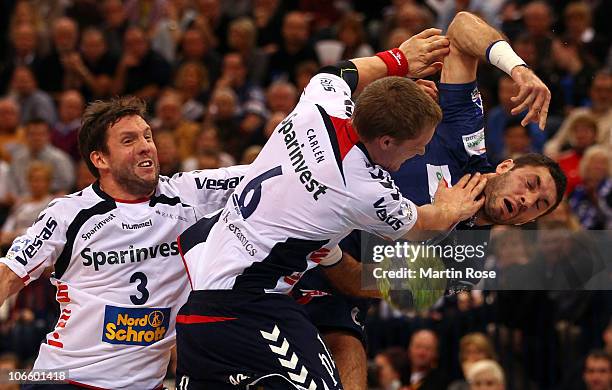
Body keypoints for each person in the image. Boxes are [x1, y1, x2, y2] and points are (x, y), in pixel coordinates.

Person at [176, 28, 487, 389]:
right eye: (417, 146)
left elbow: (338, 74)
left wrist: (399, 59)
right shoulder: (362, 188)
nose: (420, 154)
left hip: (202, 285)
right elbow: (420, 226)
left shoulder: (321, 105)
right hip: (243, 304)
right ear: (386, 140)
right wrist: (452, 207)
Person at [296, 11, 563, 390]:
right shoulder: (465, 137)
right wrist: (519, 70)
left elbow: (364, 284)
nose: (527, 200)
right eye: (531, 183)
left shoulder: (468, 260)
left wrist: (430, 224)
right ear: (506, 165)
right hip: (307, 204)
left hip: (334, 277)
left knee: (349, 357)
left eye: (538, 205)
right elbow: (460, 28)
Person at [0, 96, 247, 389]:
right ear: (99, 159)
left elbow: (266, 176)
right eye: (128, 140)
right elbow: (8, 275)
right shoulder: (67, 214)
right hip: (66, 379)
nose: (146, 146)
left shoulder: (187, 195)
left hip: (144, 384)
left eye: (147, 136)